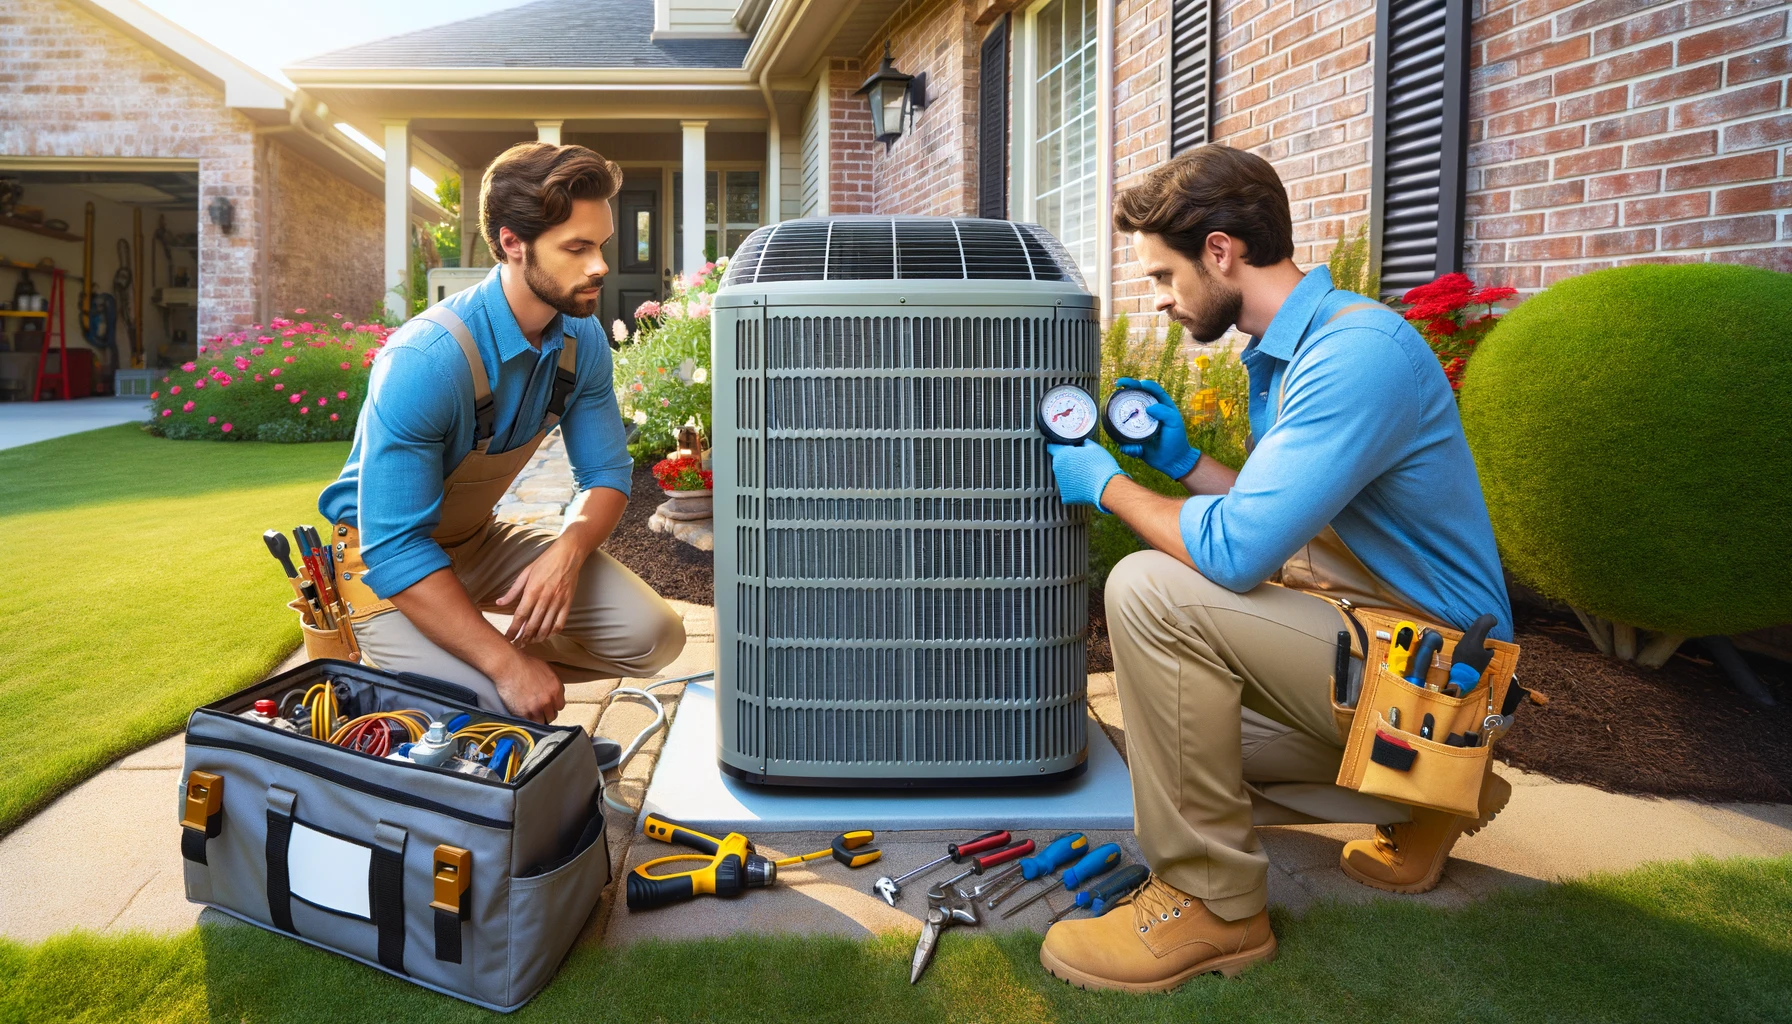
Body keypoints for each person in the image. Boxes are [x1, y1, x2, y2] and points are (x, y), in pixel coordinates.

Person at [1037, 145, 1513, 992]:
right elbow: (1277, 517)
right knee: (1177, 748)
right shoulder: (1301, 349)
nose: (1159, 299)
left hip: (1430, 676)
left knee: (1147, 590)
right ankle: (1425, 801)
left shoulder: (1355, 355)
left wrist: (1106, 486)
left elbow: (1237, 551)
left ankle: (1212, 907)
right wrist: (1184, 464)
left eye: (1162, 274)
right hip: (1380, 650)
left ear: (1221, 251)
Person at [320, 142, 685, 732]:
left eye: (601, 245)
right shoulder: (426, 361)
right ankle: (466, 683)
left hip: (475, 542)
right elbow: (393, 547)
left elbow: (608, 476)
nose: (599, 266)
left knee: (655, 636)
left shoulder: (580, 340)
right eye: (577, 248)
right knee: (493, 703)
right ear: (513, 243)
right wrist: (506, 664)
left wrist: (568, 549)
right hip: (385, 570)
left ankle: (477, 678)